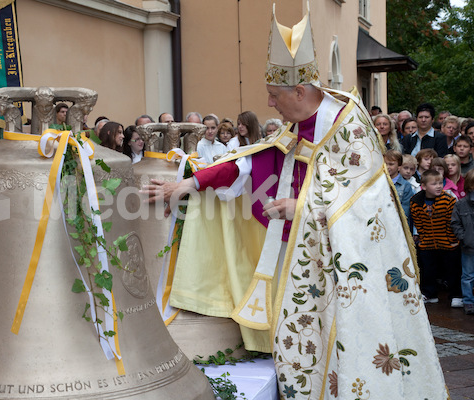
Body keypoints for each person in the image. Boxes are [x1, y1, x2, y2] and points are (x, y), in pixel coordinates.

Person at [143, 4, 448, 398]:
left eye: (274, 95)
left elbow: (365, 204)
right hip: (304, 263)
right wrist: (192, 183)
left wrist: (300, 208)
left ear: (300, 91)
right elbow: (257, 161)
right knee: (300, 344)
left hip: (347, 272)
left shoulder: (348, 126)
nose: (269, 104)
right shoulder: (298, 124)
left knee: (349, 347)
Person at [410, 169, 461, 308]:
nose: (438, 186)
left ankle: (456, 294)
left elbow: (451, 222)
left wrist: (451, 240)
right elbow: (418, 222)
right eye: (434, 184)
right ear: (424, 186)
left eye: (440, 183)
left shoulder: (449, 200)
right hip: (427, 242)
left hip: (447, 241)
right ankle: (430, 294)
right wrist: (423, 238)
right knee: (428, 269)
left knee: (452, 269)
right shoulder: (416, 201)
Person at [451, 169, 474, 315]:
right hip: (469, 247)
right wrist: (463, 237)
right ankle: (468, 301)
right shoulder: (461, 205)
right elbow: (455, 223)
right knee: (468, 275)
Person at [384, 150, 414, 218]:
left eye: (391, 164)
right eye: (385, 164)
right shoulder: (380, 183)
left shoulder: (406, 186)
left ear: (399, 167)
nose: (387, 167)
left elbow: (405, 211)